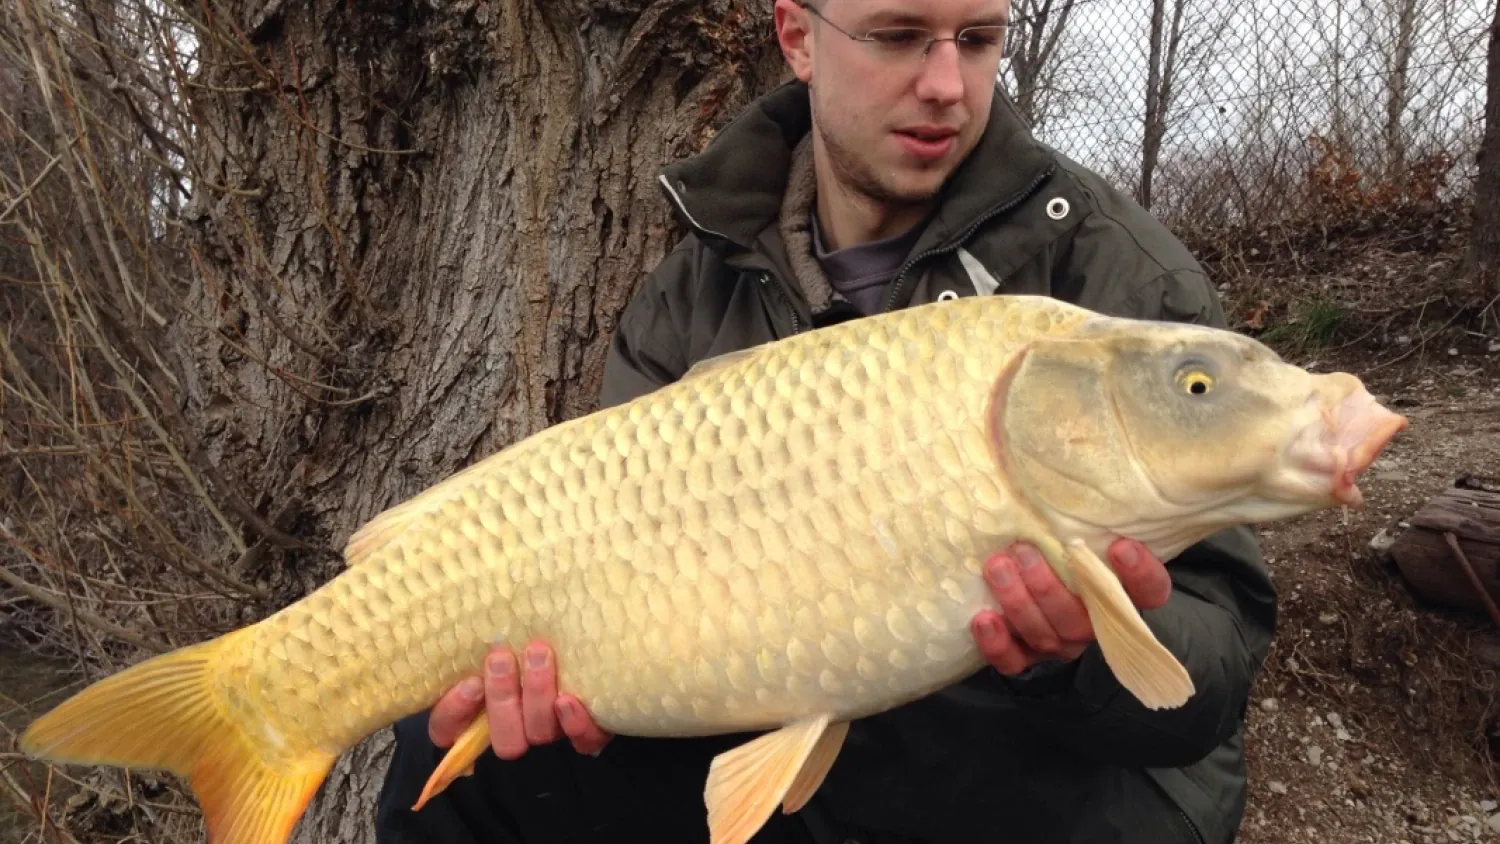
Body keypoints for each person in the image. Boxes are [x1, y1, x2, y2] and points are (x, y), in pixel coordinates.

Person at [374, 0, 1278, 842]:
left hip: (1044, 774)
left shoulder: (1116, 281)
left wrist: (1077, 654)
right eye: (896, 36)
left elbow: (1217, 666)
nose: (945, 85)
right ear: (798, 38)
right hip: (792, 739)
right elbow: (622, 578)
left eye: (977, 39)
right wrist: (587, 693)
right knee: (454, 766)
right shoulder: (698, 289)